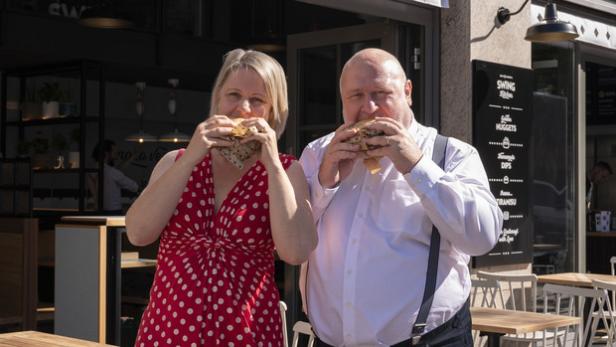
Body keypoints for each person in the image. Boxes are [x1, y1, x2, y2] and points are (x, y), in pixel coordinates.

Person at [299, 48, 503, 346]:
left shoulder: (451, 154)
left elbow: (482, 238)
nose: (368, 108)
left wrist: (416, 166)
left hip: (429, 340)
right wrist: (324, 182)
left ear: (407, 92)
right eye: (355, 96)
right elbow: (292, 243)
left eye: (381, 93)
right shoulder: (318, 154)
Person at [127, 49, 317, 347]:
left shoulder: (287, 170)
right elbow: (138, 233)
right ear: (217, 100)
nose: (243, 108)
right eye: (233, 95)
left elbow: (295, 252)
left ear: (273, 110)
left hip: (247, 333)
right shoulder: (175, 161)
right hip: (168, 330)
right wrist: (190, 159)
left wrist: (272, 165)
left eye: (257, 100)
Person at [91, 139, 139, 215]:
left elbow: (117, 170)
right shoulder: (111, 172)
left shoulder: (96, 168)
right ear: (106, 153)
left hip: (101, 209)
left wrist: (133, 156)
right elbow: (134, 186)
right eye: (114, 151)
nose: (117, 153)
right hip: (113, 211)